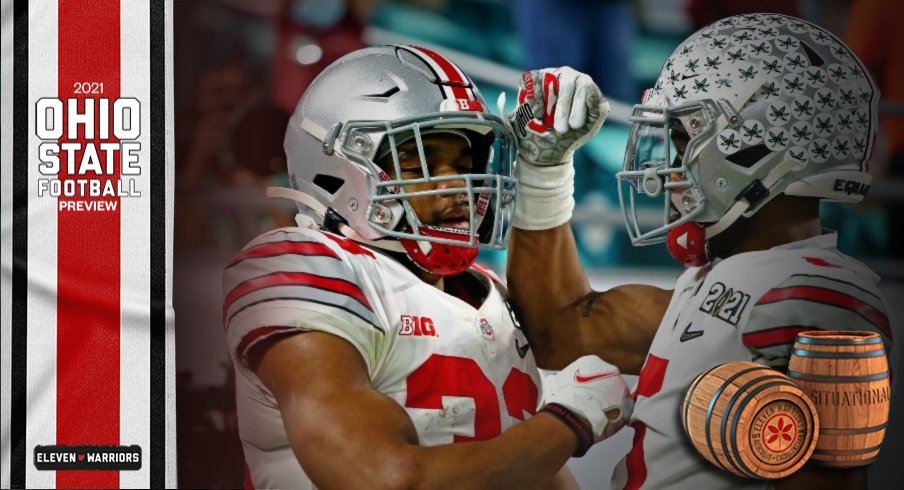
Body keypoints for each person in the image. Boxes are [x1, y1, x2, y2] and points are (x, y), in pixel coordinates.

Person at [505, 13, 894, 489]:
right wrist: (544, 170)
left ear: (759, 149)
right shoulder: (722, 282)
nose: (668, 165)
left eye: (684, 138)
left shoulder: (814, 295)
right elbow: (558, 330)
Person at [223, 45, 633, 489]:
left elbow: (531, 471)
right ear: (336, 172)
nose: (456, 185)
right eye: (418, 164)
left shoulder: (487, 293)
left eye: (464, 163)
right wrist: (566, 423)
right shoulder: (306, 269)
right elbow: (386, 481)